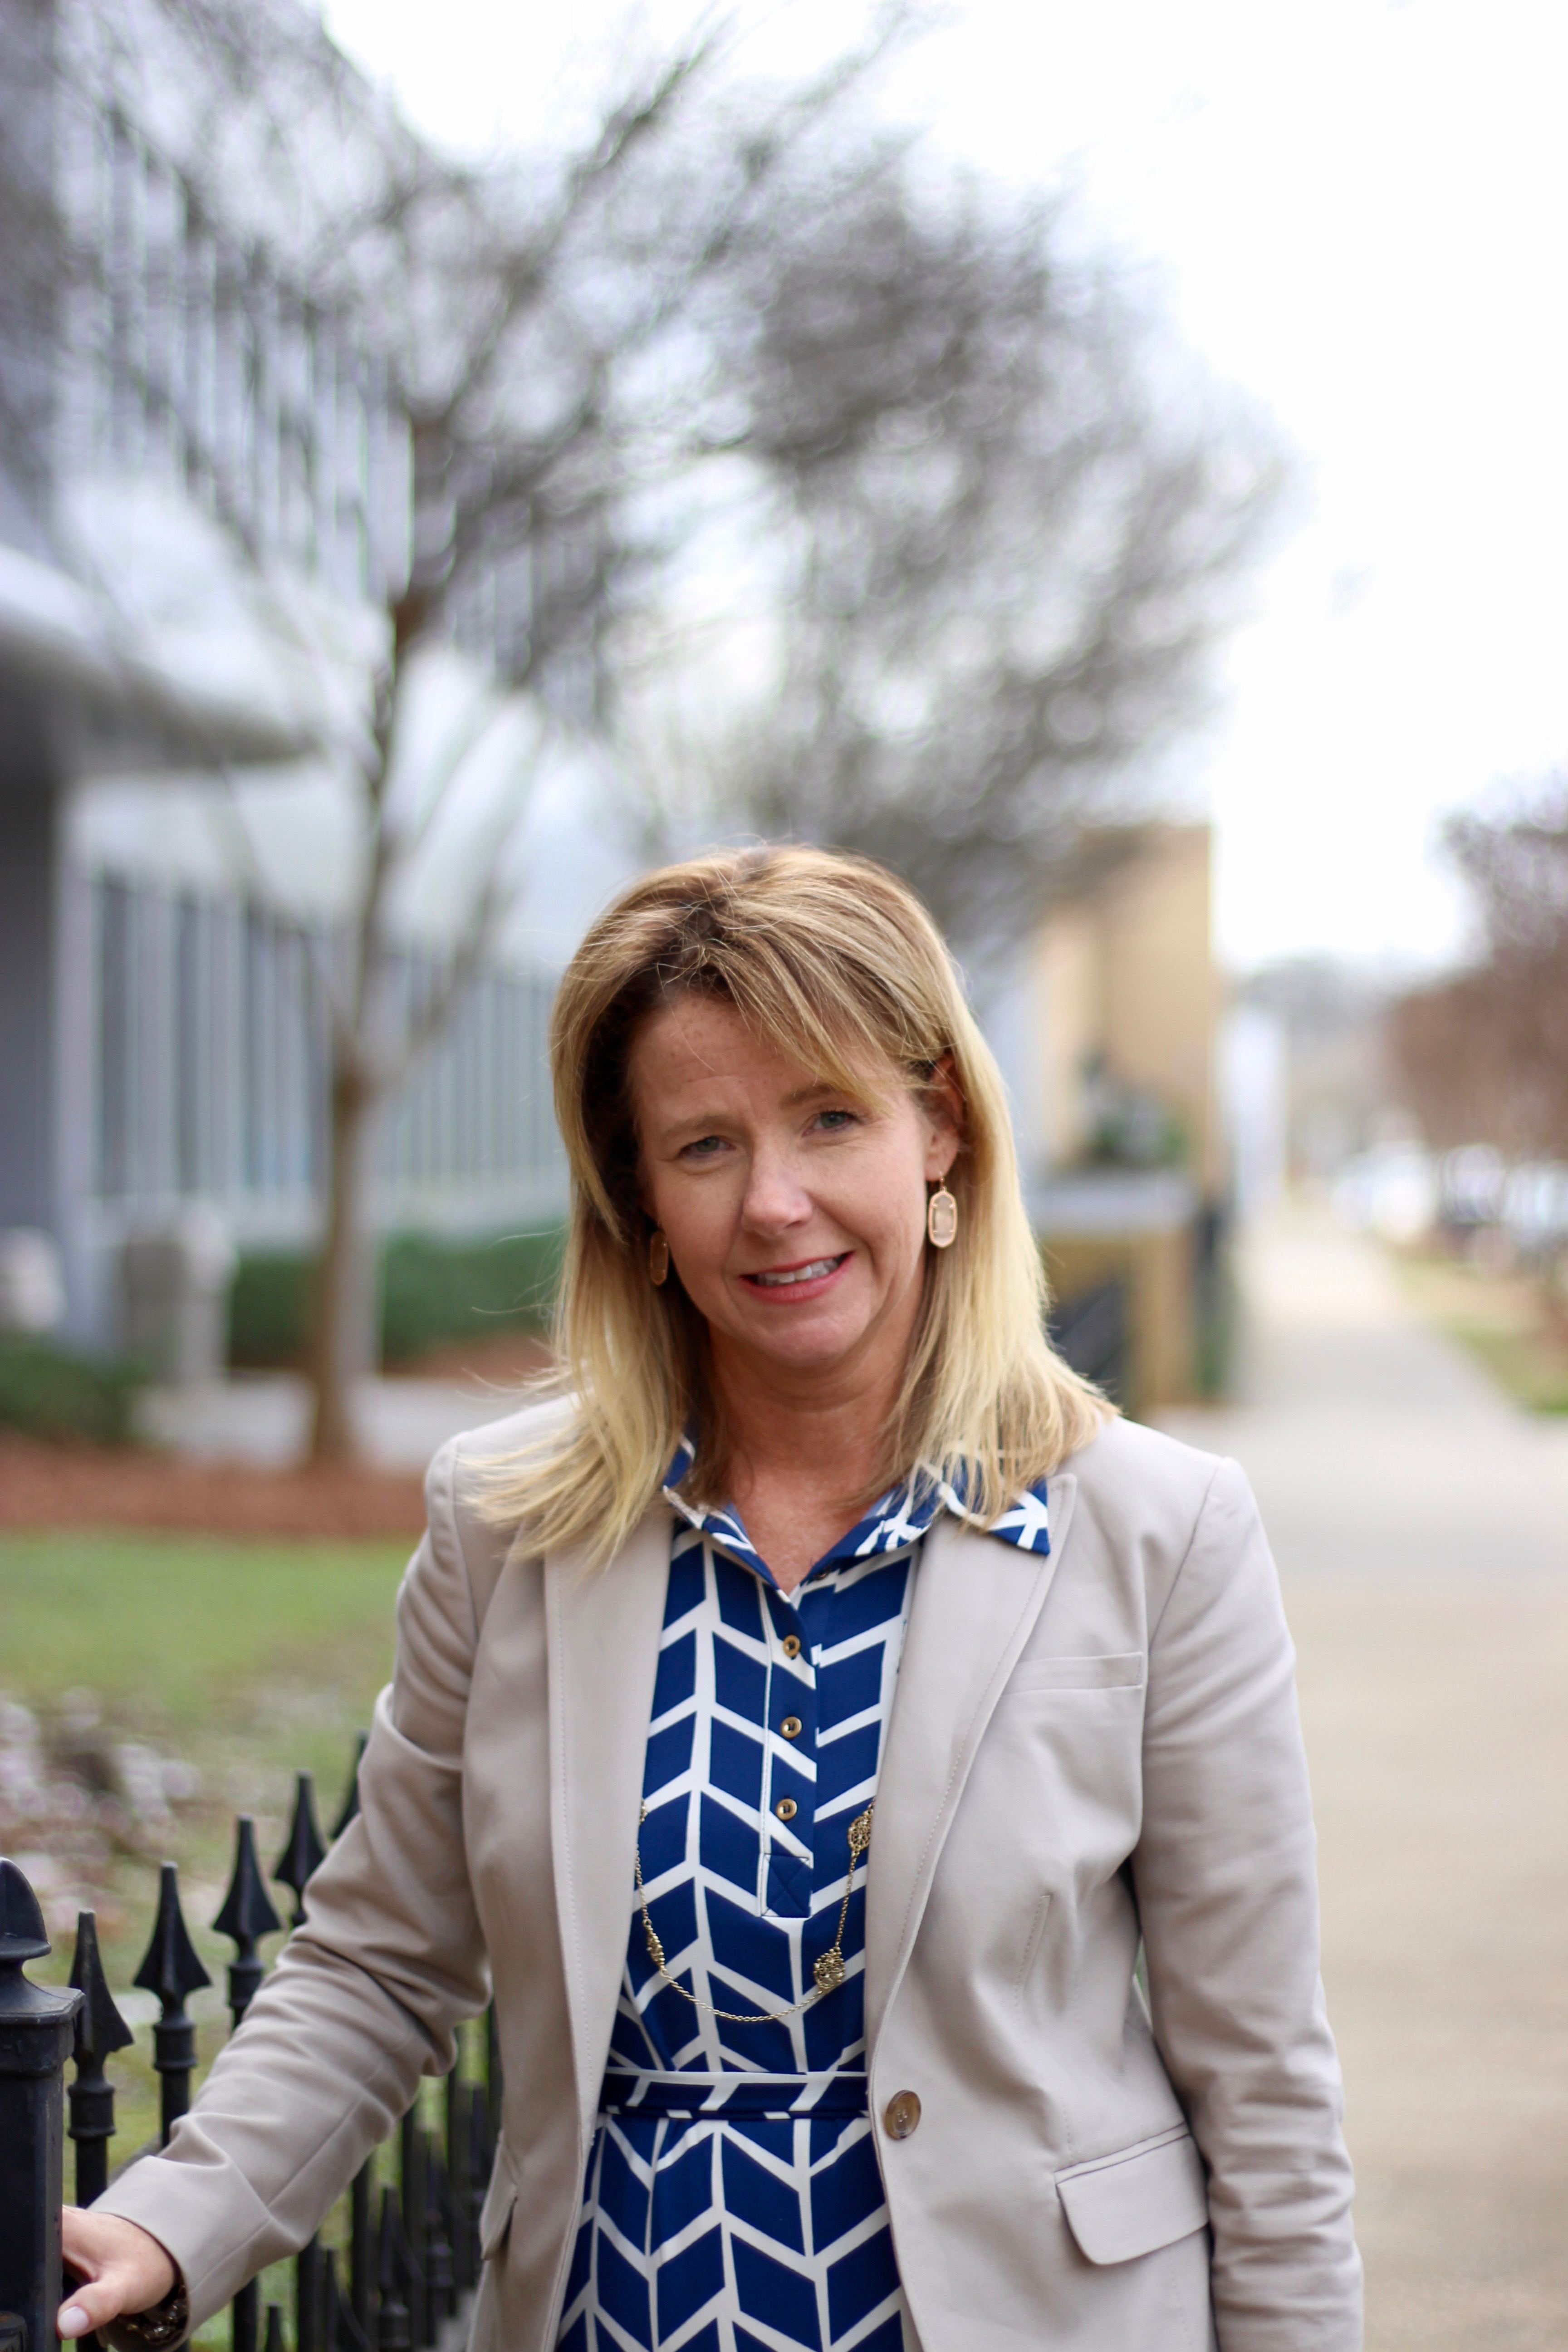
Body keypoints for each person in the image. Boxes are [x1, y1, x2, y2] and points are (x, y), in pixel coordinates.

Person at [64, 845, 1362, 2352]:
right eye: (704, 1147)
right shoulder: (510, 1531)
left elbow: (1262, 2090)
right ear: (638, 1199)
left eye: (830, 1118)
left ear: (938, 1128)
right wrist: (173, 2218)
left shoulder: (1159, 1531)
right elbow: (380, 1958)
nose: (775, 1204)